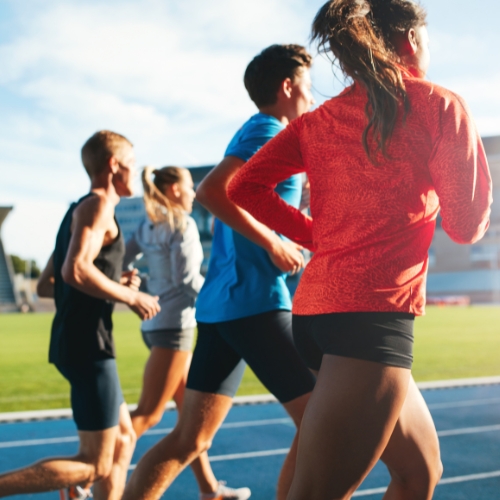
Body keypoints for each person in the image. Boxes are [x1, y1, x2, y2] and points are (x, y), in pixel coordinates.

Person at [227, 1, 493, 499]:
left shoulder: (318, 119)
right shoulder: (439, 105)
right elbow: (465, 226)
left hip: (316, 317)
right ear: (412, 41)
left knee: (419, 475)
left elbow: (245, 187)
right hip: (368, 325)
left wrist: (315, 236)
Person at [123, 44, 317, 500]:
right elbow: (212, 191)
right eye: (308, 88)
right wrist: (273, 242)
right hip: (254, 301)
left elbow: (241, 201)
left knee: (191, 439)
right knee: (320, 421)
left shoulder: (258, 132)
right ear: (287, 87)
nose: (312, 98)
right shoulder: (268, 128)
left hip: (222, 307)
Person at [0, 130, 161, 500]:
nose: (135, 172)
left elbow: (47, 284)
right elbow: (74, 271)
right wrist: (130, 296)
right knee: (95, 463)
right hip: (88, 343)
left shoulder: (77, 209)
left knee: (123, 439)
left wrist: (110, 278)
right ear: (114, 165)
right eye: (132, 164)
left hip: (80, 339)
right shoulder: (98, 206)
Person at [123, 165, 250, 499]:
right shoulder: (182, 224)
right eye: (190, 186)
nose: (195, 193)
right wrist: (220, 298)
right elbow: (188, 280)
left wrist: (135, 280)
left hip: (153, 325)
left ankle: (210, 490)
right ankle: (93, 477)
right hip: (175, 328)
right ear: (174, 189)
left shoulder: (148, 224)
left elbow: (123, 257)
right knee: (147, 415)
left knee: (190, 420)